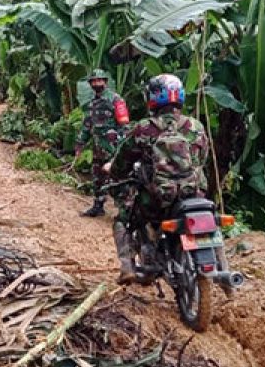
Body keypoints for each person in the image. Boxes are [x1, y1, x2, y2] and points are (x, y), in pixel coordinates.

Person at [107, 74, 209, 283]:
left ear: (152, 97)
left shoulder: (144, 128)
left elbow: (123, 160)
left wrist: (114, 173)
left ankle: (127, 267)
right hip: (194, 193)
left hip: (158, 198)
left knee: (123, 218)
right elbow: (203, 157)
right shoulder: (195, 127)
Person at [75, 69, 129, 217]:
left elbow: (124, 125)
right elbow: (87, 125)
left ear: (105, 82)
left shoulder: (116, 100)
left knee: (117, 178)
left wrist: (121, 146)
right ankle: (98, 206)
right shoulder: (92, 103)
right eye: (94, 81)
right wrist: (80, 143)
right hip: (98, 147)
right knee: (98, 177)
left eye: (100, 80)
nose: (97, 83)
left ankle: (124, 211)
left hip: (113, 148)